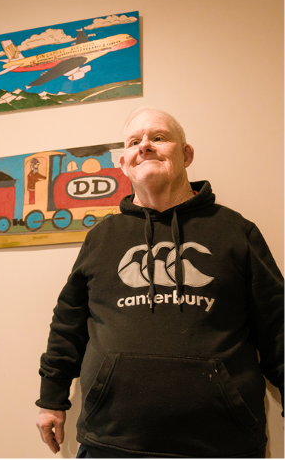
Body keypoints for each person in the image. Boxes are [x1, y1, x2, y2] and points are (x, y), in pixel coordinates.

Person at [36, 107, 285, 458]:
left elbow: (278, 327)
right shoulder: (102, 237)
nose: (145, 146)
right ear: (124, 164)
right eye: (135, 141)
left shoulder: (235, 231)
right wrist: (51, 399)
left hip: (222, 445)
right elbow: (68, 324)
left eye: (158, 137)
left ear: (186, 154)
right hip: (110, 442)